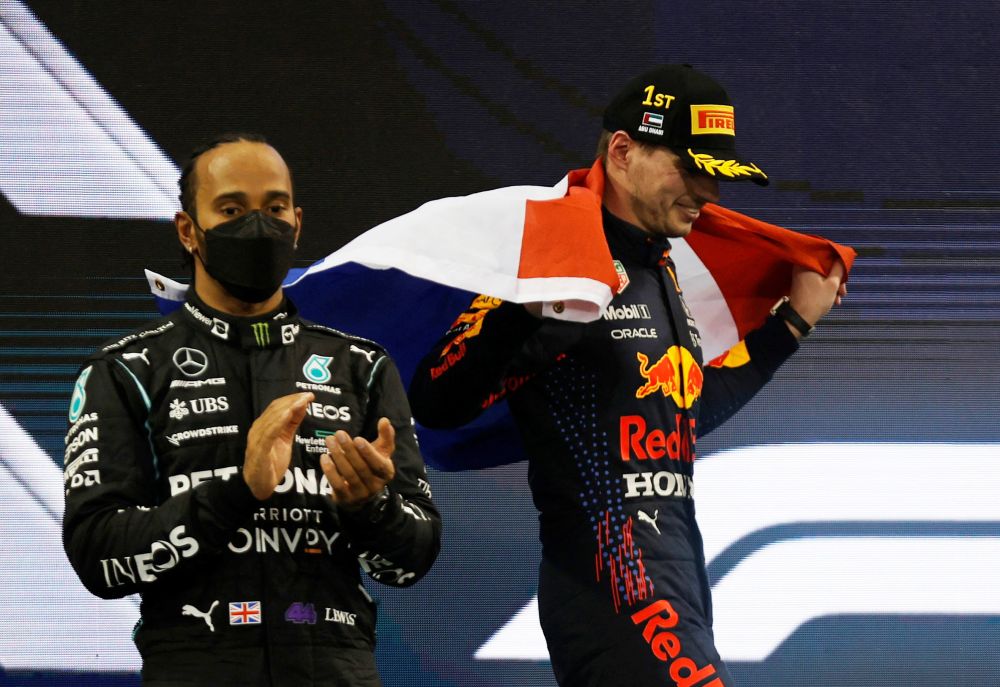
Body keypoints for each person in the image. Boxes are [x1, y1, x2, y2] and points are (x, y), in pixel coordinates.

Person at [408, 65, 845, 686]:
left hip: (677, 588)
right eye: (691, 171)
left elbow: (683, 414)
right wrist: (523, 305)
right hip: (610, 591)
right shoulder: (561, 261)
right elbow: (437, 399)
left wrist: (790, 325)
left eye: (715, 175)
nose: (708, 193)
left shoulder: (660, 268)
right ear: (621, 151)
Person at [62, 133, 441, 686]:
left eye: (275, 208)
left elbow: (414, 560)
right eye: (232, 209)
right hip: (195, 666)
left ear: (298, 223)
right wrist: (238, 490)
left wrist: (373, 508)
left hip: (336, 667)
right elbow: (99, 558)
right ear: (188, 230)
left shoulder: (360, 366)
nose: (258, 226)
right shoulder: (124, 370)